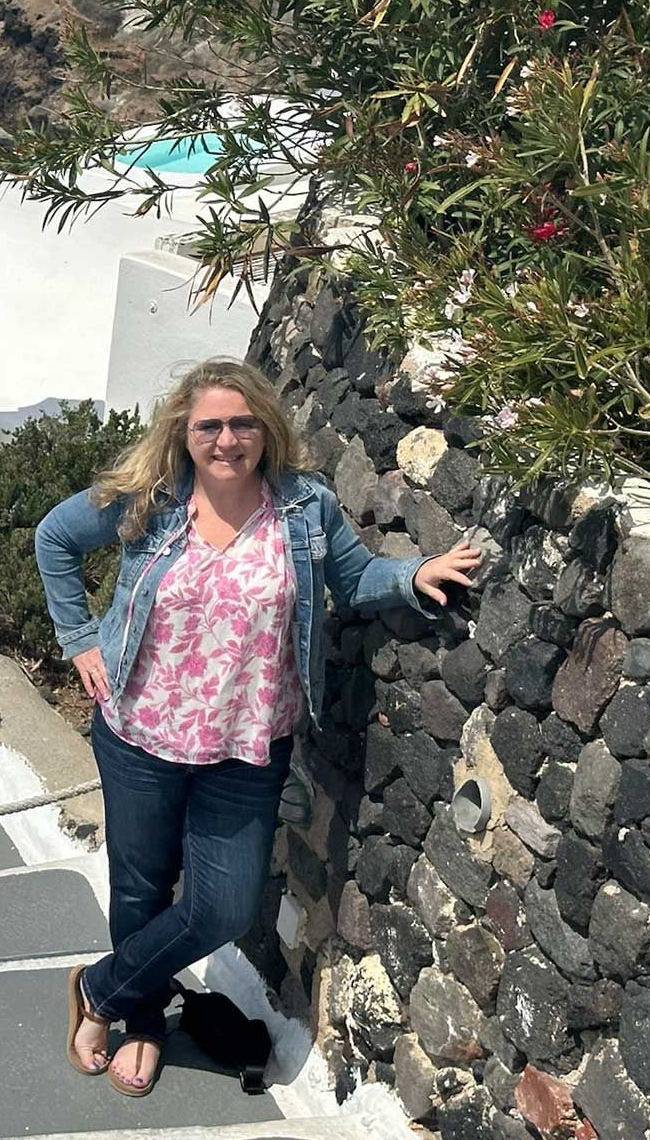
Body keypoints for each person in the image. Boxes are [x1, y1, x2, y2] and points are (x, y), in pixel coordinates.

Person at [34, 356, 481, 1097]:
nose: (227, 439)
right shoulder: (149, 499)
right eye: (210, 425)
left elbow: (354, 576)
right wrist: (77, 638)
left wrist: (413, 574)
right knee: (141, 886)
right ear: (184, 431)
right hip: (139, 735)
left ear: (265, 428)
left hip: (246, 749)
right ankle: (141, 1022)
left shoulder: (302, 507)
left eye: (242, 424)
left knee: (224, 905)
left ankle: (99, 989)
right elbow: (56, 537)